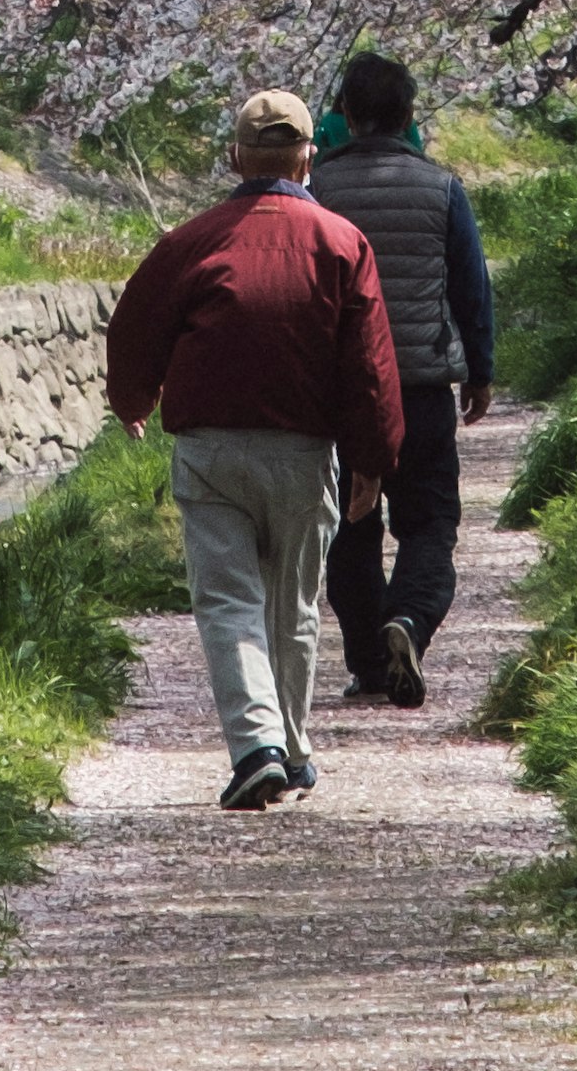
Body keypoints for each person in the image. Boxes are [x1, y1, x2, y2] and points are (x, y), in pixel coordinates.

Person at [104, 85, 405, 812]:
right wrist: (374, 458)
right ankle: (291, 751)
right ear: (309, 158)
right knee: (294, 605)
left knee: (228, 601)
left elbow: (136, 325)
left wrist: (134, 399)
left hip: (212, 450)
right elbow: (370, 361)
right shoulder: (341, 242)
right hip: (304, 450)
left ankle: (258, 748)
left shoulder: (193, 240)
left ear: (236, 157)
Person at [314, 51, 495, 707]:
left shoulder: (319, 192)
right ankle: (410, 621)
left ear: (347, 116)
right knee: (429, 522)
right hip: (420, 385)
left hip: (343, 392)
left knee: (348, 529)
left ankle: (368, 660)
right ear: (410, 115)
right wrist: (479, 370)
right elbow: (470, 287)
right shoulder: (443, 188)